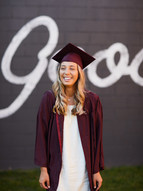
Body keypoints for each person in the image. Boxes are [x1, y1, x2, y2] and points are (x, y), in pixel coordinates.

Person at [34, 43, 104, 191]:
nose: (67, 72)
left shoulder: (91, 101)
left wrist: (96, 170)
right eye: (63, 68)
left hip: (83, 169)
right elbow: (41, 135)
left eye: (72, 68)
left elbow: (97, 138)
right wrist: (43, 170)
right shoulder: (50, 99)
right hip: (58, 170)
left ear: (79, 72)